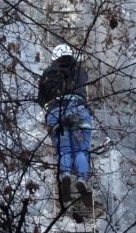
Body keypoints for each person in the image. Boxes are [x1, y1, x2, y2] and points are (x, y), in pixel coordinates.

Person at [37, 43, 94, 210]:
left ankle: (66, 175)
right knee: (81, 150)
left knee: (64, 149)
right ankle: (82, 179)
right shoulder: (81, 71)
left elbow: (41, 99)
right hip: (79, 110)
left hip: (56, 111)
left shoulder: (48, 73)